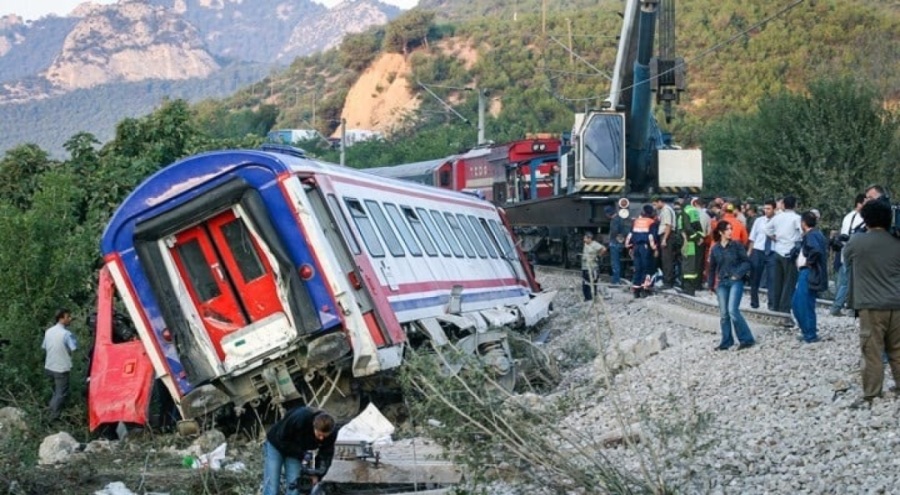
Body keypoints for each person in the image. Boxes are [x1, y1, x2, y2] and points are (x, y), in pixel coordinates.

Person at [843, 199, 900, 409]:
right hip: (897, 303)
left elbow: (846, 259)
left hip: (871, 305)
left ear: (865, 219)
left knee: (872, 350)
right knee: (897, 349)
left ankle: (872, 394)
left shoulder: (857, 242)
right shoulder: (896, 241)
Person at [263, 406, 338, 495]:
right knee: (272, 486)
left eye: (324, 436)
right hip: (276, 444)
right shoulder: (300, 417)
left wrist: (317, 474)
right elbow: (282, 438)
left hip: (296, 451)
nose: (321, 438)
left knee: (295, 486)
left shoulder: (332, 434)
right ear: (313, 426)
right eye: (319, 434)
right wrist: (302, 454)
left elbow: (325, 456)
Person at [708, 222, 755, 351]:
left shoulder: (737, 245)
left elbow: (747, 263)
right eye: (727, 229)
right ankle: (726, 341)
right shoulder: (715, 249)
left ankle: (746, 339)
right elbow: (712, 268)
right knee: (724, 314)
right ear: (720, 232)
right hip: (722, 283)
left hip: (735, 281)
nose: (730, 231)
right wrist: (711, 284)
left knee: (733, 310)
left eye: (731, 229)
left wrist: (737, 274)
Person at [792, 211, 828, 343]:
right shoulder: (816, 234)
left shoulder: (811, 235)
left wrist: (808, 262)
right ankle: (808, 331)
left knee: (803, 303)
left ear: (803, 223)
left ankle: (809, 333)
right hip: (808, 272)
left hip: (808, 272)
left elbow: (815, 250)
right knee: (799, 302)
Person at [765, 195, 802, 313]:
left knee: (777, 281)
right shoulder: (797, 218)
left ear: (784, 205)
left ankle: (774, 305)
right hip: (790, 252)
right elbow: (802, 232)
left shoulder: (778, 217)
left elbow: (766, 229)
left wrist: (773, 237)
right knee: (789, 282)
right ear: (795, 205)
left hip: (777, 250)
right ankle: (784, 307)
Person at [829, 194, 865, 316]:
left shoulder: (848, 216)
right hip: (856, 252)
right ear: (859, 203)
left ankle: (837, 306)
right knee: (853, 282)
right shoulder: (863, 218)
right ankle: (850, 308)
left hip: (845, 251)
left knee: (844, 281)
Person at [43, 308, 77, 422]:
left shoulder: (48, 331)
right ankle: (52, 419)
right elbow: (74, 348)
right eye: (68, 317)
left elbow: (44, 347)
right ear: (61, 319)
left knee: (54, 392)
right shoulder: (66, 334)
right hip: (61, 368)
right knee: (60, 394)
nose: (70, 319)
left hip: (49, 366)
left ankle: (49, 413)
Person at [747, 199, 775, 309]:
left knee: (772, 278)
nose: (766, 211)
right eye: (765, 208)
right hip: (758, 250)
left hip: (772, 251)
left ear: (774, 209)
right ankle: (754, 302)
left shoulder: (777, 221)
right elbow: (753, 238)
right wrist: (749, 252)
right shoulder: (759, 221)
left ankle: (771, 303)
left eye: (768, 209)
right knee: (755, 277)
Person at [625, 204, 658, 298]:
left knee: (638, 268)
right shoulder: (652, 222)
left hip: (636, 247)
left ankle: (636, 290)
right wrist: (655, 249)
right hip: (646, 247)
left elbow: (630, 235)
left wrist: (629, 247)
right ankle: (645, 289)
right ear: (651, 213)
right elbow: (652, 237)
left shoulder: (636, 221)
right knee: (646, 268)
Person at [677, 196, 704, 296]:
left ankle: (688, 290)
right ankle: (692, 288)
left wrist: (687, 239)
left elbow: (686, 228)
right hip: (695, 243)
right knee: (693, 266)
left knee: (687, 266)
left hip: (687, 243)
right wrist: (699, 237)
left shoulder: (684, 212)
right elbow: (698, 226)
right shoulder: (694, 211)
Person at [651, 196, 677, 289]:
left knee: (667, 260)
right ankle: (667, 280)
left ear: (660, 202)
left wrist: (664, 239)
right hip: (667, 235)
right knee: (665, 259)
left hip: (667, 236)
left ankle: (668, 282)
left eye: (655, 204)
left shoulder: (666, 210)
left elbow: (668, 225)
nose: (654, 206)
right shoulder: (665, 210)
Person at [580, 231, 607, 301]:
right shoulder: (585, 244)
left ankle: (592, 297)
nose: (584, 240)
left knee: (592, 282)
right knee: (585, 283)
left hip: (592, 267)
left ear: (590, 239)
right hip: (585, 267)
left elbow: (603, 249)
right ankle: (587, 297)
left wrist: (598, 256)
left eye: (585, 238)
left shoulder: (594, 244)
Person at [606, 205, 626, 285]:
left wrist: (611, 241)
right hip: (619, 243)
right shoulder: (619, 219)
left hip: (615, 243)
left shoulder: (615, 220)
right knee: (618, 262)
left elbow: (614, 232)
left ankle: (616, 281)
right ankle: (619, 278)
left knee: (615, 263)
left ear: (608, 213)